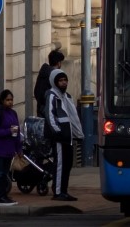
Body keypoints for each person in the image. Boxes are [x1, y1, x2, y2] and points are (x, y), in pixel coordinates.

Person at [45, 69, 81, 201]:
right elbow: (50, 115)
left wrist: (77, 134)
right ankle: (58, 192)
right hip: (59, 137)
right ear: (55, 82)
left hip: (68, 136)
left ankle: (63, 190)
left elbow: (73, 117)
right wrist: (58, 131)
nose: (64, 83)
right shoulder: (52, 95)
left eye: (65, 80)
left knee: (67, 164)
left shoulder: (67, 96)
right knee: (60, 164)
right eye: (60, 80)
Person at [34, 49, 64, 118]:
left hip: (41, 108)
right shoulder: (55, 75)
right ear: (59, 63)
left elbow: (36, 92)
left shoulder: (43, 72)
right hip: (51, 111)